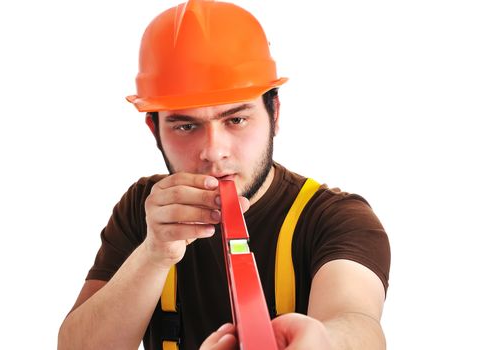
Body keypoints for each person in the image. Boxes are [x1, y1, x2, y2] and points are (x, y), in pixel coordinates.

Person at [58, 0, 390, 349]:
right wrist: (154, 253)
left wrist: (323, 342)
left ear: (274, 113)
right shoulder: (143, 209)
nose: (214, 152)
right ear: (154, 129)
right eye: (186, 125)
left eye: (236, 119)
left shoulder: (335, 218)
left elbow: (356, 320)